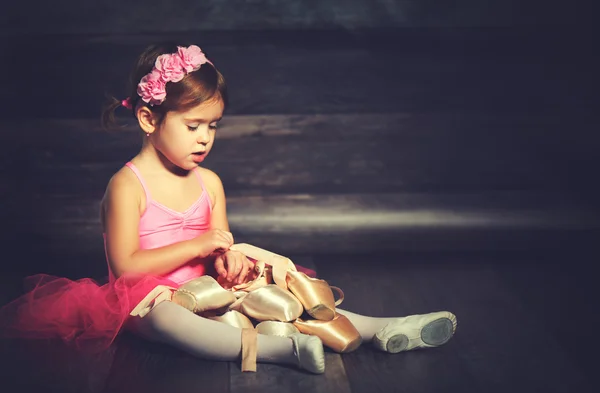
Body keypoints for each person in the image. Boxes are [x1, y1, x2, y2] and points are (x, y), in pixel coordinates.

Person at [0, 43, 457, 374]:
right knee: (166, 319)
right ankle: (274, 350)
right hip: (149, 299)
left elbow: (221, 247)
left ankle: (382, 328)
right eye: (193, 125)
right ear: (148, 119)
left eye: (213, 126)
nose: (205, 138)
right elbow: (126, 269)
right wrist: (200, 244)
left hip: (211, 288)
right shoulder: (126, 186)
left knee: (284, 288)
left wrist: (229, 259)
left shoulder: (209, 182)